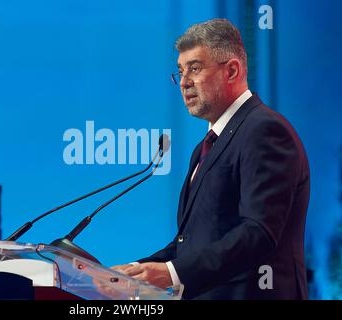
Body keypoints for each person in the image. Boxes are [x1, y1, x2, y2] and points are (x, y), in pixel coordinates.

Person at [112, 18, 310, 300]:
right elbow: (193, 244)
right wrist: (134, 271)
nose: (183, 82)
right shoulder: (204, 147)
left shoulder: (264, 130)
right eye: (179, 71)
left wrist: (172, 273)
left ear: (231, 70)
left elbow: (259, 232)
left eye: (194, 68)